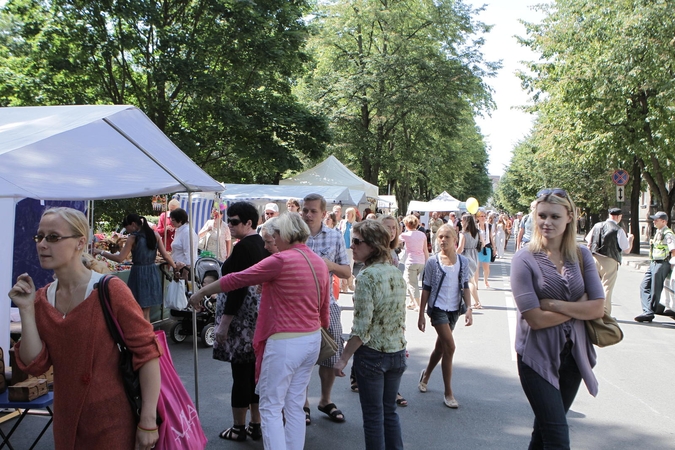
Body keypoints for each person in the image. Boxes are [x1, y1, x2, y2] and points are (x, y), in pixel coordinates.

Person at [10, 207, 161, 450]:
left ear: (81, 242)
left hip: (113, 421)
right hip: (68, 422)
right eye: (39, 237)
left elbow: (148, 354)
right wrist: (27, 310)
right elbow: (35, 364)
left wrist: (148, 421)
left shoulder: (110, 289)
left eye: (53, 237)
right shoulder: (41, 299)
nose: (42, 245)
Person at [188, 213, 330, 450]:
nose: (267, 245)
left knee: (271, 406)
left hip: (285, 342)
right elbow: (323, 309)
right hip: (311, 340)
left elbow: (237, 279)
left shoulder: (281, 261)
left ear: (284, 235)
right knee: (294, 405)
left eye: (271, 238)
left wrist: (201, 292)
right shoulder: (317, 261)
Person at [510, 189, 605, 449]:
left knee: (544, 433)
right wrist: (578, 306)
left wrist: (553, 304)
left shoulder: (582, 255)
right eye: (541, 216)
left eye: (554, 216)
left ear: (570, 217)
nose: (546, 222)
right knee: (558, 438)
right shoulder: (524, 259)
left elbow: (597, 308)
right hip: (535, 357)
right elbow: (535, 319)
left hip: (574, 356)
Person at [334, 220, 407, 449]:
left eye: (357, 241)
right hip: (397, 352)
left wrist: (344, 358)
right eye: (352, 240)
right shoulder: (395, 272)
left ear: (373, 246)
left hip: (373, 355)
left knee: (374, 418)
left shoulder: (367, 276)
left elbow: (361, 329)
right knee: (389, 413)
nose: (352, 246)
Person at [205, 201, 267, 441]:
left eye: (234, 221)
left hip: (242, 320)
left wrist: (223, 323)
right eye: (228, 220)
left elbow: (238, 289)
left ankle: (238, 427)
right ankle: (255, 423)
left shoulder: (244, 248)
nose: (229, 225)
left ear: (249, 223)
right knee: (253, 373)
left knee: (241, 374)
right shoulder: (260, 243)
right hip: (254, 318)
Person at [301, 193, 351, 424]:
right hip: (298, 305)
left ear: (323, 213)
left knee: (330, 354)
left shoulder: (334, 237)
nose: (309, 215)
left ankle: (325, 400)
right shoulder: (294, 236)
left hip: (326, 303)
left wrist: (328, 264)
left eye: (313, 211)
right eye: (305, 210)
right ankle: (302, 404)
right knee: (301, 357)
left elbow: (346, 271)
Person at [417, 225, 473, 408]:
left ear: (454, 238)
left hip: (454, 310)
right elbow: (426, 288)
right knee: (450, 346)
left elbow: (465, 285)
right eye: (440, 236)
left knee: (440, 348)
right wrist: (421, 314)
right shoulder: (433, 262)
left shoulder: (462, 262)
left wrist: (469, 308)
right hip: (438, 308)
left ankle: (426, 375)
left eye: (447, 236)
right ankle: (448, 393)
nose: (443, 240)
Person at [95, 213, 175, 322]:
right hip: (152, 272)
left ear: (133, 224)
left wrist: (101, 252)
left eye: (126, 227)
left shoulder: (133, 238)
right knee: (146, 311)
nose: (127, 230)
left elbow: (120, 258)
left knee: (138, 310)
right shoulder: (155, 235)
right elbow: (165, 255)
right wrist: (175, 267)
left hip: (138, 273)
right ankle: (148, 335)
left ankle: (142, 335)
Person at [585, 207, 633, 315]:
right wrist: (630, 239)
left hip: (594, 258)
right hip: (610, 260)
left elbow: (589, 243)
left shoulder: (597, 225)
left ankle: (590, 311)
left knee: (593, 286)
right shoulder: (618, 229)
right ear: (618, 216)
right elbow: (627, 249)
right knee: (606, 287)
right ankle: (604, 314)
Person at [635, 211, 675, 322]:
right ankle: (648, 310)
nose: (654, 221)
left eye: (656, 220)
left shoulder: (668, 234)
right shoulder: (658, 231)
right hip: (654, 263)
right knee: (644, 285)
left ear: (664, 221)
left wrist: (672, 265)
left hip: (662, 263)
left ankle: (648, 312)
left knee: (655, 289)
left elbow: (673, 250)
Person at [399, 214, 429, 311]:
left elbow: (394, 241)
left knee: (412, 283)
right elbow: (425, 250)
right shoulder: (422, 234)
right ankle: (412, 301)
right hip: (421, 261)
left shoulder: (405, 235)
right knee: (407, 280)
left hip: (411, 261)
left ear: (406, 225)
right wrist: (428, 261)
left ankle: (418, 305)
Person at [457, 214, 481, 309]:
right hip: (474, 254)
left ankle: (477, 302)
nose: (461, 222)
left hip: (466, 255)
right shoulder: (476, 232)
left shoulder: (463, 233)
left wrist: (453, 255)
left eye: (462, 220)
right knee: (471, 279)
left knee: (469, 280)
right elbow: (481, 243)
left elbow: (460, 247)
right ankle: (473, 301)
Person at [169, 207, 198, 276]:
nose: (171, 222)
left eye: (173, 220)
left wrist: (186, 271)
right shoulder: (179, 230)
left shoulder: (187, 232)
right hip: (178, 267)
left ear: (180, 220)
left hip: (185, 268)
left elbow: (189, 253)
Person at [338, 207, 358, 292]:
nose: (346, 215)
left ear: (352, 215)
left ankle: (348, 284)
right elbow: (338, 233)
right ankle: (341, 285)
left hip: (350, 249)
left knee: (349, 267)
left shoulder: (356, 225)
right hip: (342, 248)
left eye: (348, 213)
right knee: (340, 266)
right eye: (346, 213)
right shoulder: (342, 223)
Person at [475, 210, 493, 288]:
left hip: (487, 247)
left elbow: (491, 237)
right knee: (476, 268)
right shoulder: (476, 226)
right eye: (481, 216)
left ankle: (485, 280)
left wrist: (494, 248)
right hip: (478, 248)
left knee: (486, 269)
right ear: (478, 217)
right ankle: (476, 284)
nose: (483, 218)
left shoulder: (489, 226)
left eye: (484, 216)